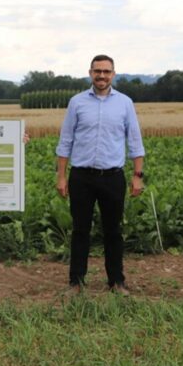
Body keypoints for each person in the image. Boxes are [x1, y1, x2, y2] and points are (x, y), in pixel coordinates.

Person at [56, 55, 145, 295]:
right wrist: (61, 176)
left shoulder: (125, 103)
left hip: (113, 177)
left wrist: (138, 175)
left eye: (106, 71)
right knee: (80, 230)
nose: (102, 76)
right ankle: (76, 282)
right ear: (90, 73)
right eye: (97, 71)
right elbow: (66, 140)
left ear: (113, 74)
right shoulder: (77, 103)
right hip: (81, 176)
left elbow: (135, 141)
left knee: (113, 231)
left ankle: (116, 281)